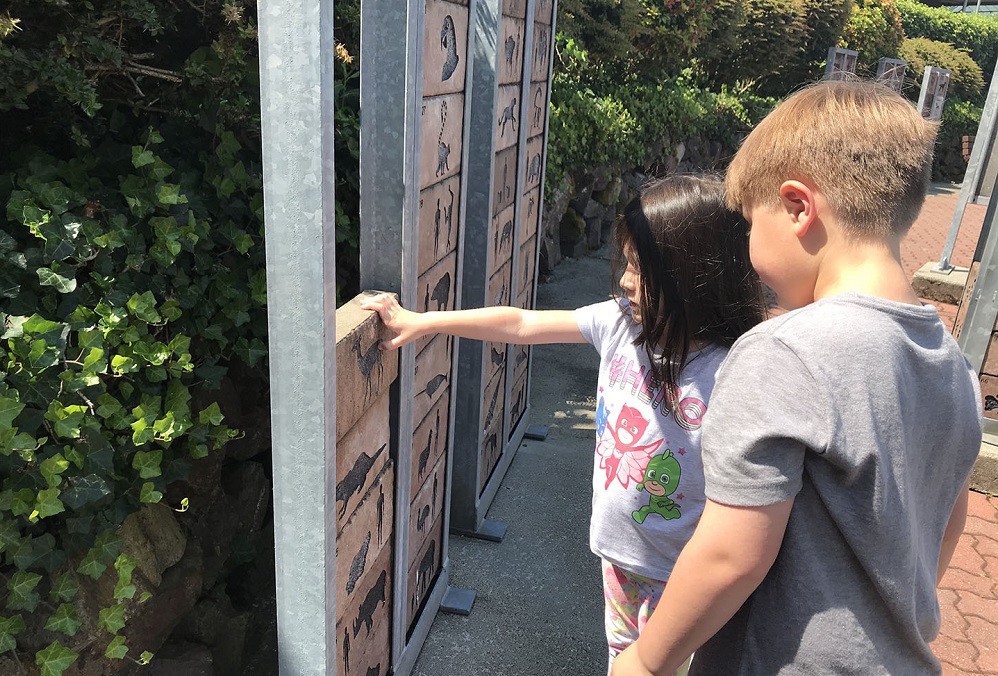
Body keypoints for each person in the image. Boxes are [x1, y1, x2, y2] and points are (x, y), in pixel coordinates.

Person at [612, 81, 983, 676]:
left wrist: (647, 661)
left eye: (751, 226)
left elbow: (732, 554)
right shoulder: (953, 366)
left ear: (796, 207)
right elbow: (944, 526)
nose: (749, 252)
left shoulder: (784, 353)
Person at [360, 175, 765, 673]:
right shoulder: (620, 325)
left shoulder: (734, 370)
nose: (625, 281)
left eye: (642, 268)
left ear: (690, 274)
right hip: (619, 560)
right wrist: (425, 322)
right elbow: (522, 324)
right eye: (627, 263)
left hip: (685, 578)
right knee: (622, 662)